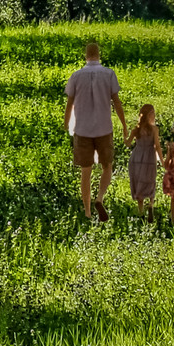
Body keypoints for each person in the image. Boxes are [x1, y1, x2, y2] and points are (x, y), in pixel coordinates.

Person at [64, 41, 127, 222]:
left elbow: (69, 104)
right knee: (107, 166)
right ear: (99, 55)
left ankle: (87, 211)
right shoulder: (108, 74)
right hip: (104, 129)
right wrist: (123, 125)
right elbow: (116, 101)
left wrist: (66, 124)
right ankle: (99, 198)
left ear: (86, 56)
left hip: (82, 130)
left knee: (86, 171)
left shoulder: (76, 76)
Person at [127, 104, 162, 221]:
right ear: (150, 115)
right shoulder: (154, 129)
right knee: (150, 181)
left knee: (138, 182)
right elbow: (157, 146)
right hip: (149, 158)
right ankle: (150, 205)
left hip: (136, 158)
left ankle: (141, 211)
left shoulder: (136, 130)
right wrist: (162, 161)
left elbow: (127, 144)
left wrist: (124, 134)